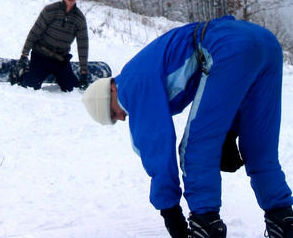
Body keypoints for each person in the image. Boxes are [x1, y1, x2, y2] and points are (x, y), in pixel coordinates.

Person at [82, 15, 293, 238]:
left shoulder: (130, 85)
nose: (123, 118)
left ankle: (206, 225)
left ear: (111, 91)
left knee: (195, 150)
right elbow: (232, 91)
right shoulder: (142, 69)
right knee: (259, 149)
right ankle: (283, 220)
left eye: (114, 113)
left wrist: (170, 213)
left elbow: (157, 147)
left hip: (225, 45)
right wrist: (230, 131)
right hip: (265, 43)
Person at [11, 0, 89, 92]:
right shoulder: (50, 10)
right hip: (41, 55)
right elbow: (34, 32)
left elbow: (83, 46)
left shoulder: (79, 19)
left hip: (61, 60)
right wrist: (24, 55)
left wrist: (84, 72)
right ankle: (19, 74)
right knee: (32, 85)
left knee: (71, 88)